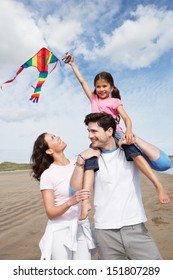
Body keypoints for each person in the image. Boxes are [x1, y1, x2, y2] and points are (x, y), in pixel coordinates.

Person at [64, 53, 171, 219]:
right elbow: (82, 82)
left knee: (132, 151)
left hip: (117, 132)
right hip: (99, 137)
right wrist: (73, 65)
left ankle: (157, 185)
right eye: (98, 87)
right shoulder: (93, 99)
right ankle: (86, 202)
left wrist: (128, 132)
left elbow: (127, 118)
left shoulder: (114, 102)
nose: (101, 90)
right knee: (91, 161)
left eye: (104, 86)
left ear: (111, 87)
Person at [70, 113, 170, 260]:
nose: (89, 136)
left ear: (110, 131)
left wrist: (134, 138)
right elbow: (74, 190)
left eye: (94, 131)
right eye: (88, 131)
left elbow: (164, 164)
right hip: (104, 233)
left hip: (135, 227)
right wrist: (80, 160)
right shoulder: (92, 158)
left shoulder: (128, 151)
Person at [30, 132, 100, 260]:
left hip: (81, 226)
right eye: (53, 138)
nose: (58, 137)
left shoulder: (78, 164)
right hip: (59, 230)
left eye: (55, 135)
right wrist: (71, 202)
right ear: (49, 150)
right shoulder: (48, 174)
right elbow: (50, 212)